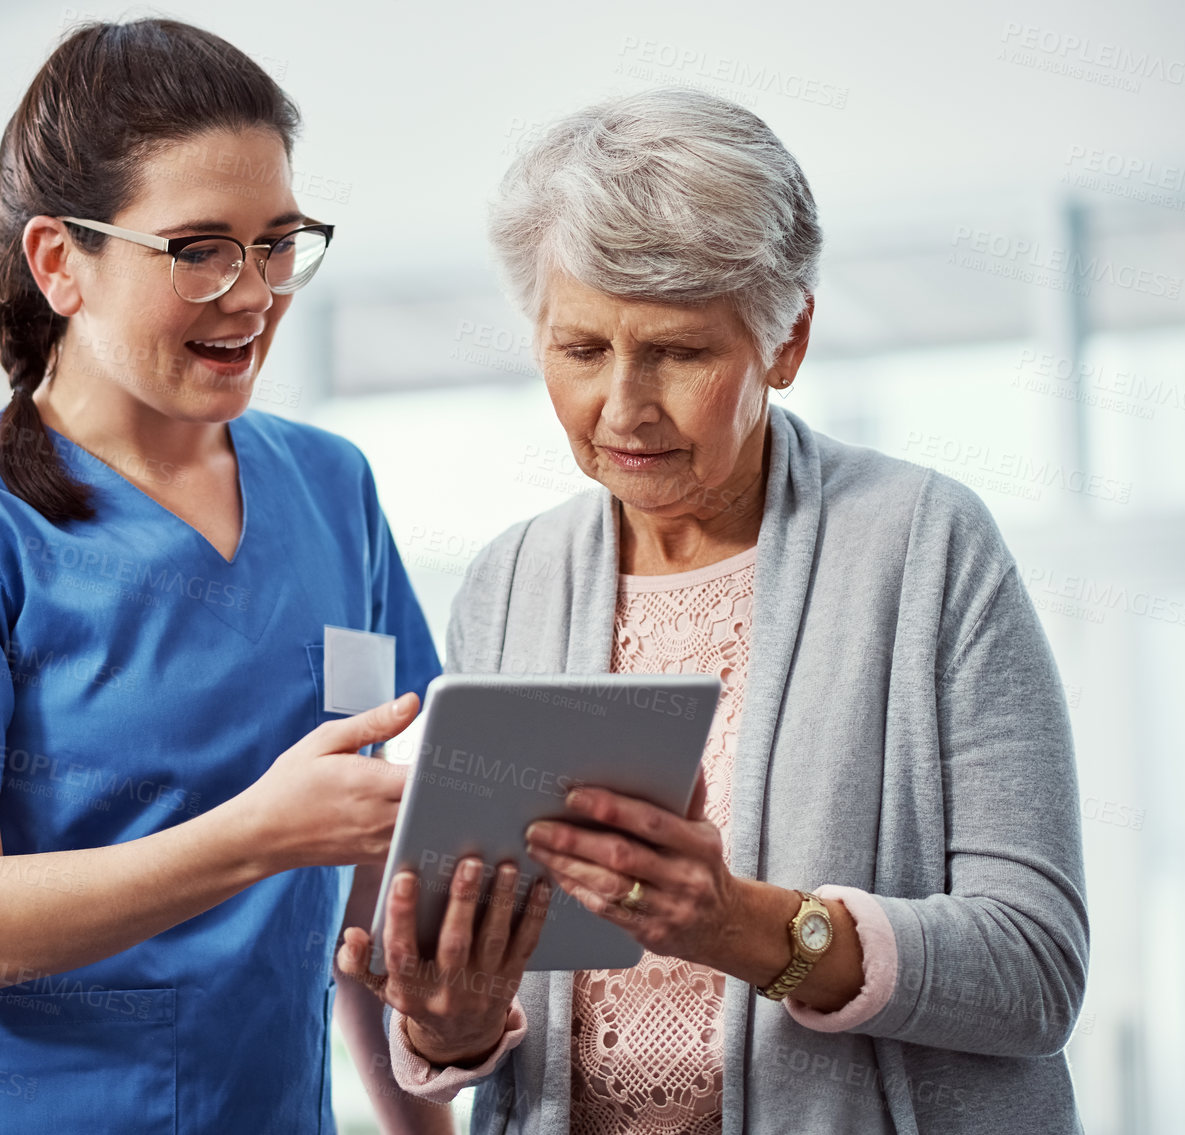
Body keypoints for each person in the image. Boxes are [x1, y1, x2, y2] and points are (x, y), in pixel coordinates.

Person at [336, 87, 1090, 1134]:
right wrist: (451, 1026)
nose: (623, 406)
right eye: (581, 349)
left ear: (786, 342)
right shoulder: (509, 580)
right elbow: (480, 1045)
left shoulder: (925, 546)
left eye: (679, 352)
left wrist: (745, 926)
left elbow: (1033, 969)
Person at [0, 19, 450, 1135]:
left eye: (278, 242)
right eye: (198, 249)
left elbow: (362, 878)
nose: (251, 294)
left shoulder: (330, 490)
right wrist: (257, 831)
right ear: (61, 261)